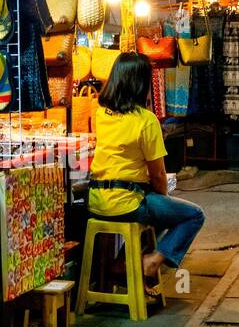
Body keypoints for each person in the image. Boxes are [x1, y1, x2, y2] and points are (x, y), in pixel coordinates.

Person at [88, 52, 205, 282]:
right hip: (127, 202)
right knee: (193, 215)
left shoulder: (101, 113)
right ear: (140, 84)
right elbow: (159, 175)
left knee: (156, 209)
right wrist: (164, 199)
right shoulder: (146, 120)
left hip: (97, 200)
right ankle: (151, 262)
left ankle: (122, 263)